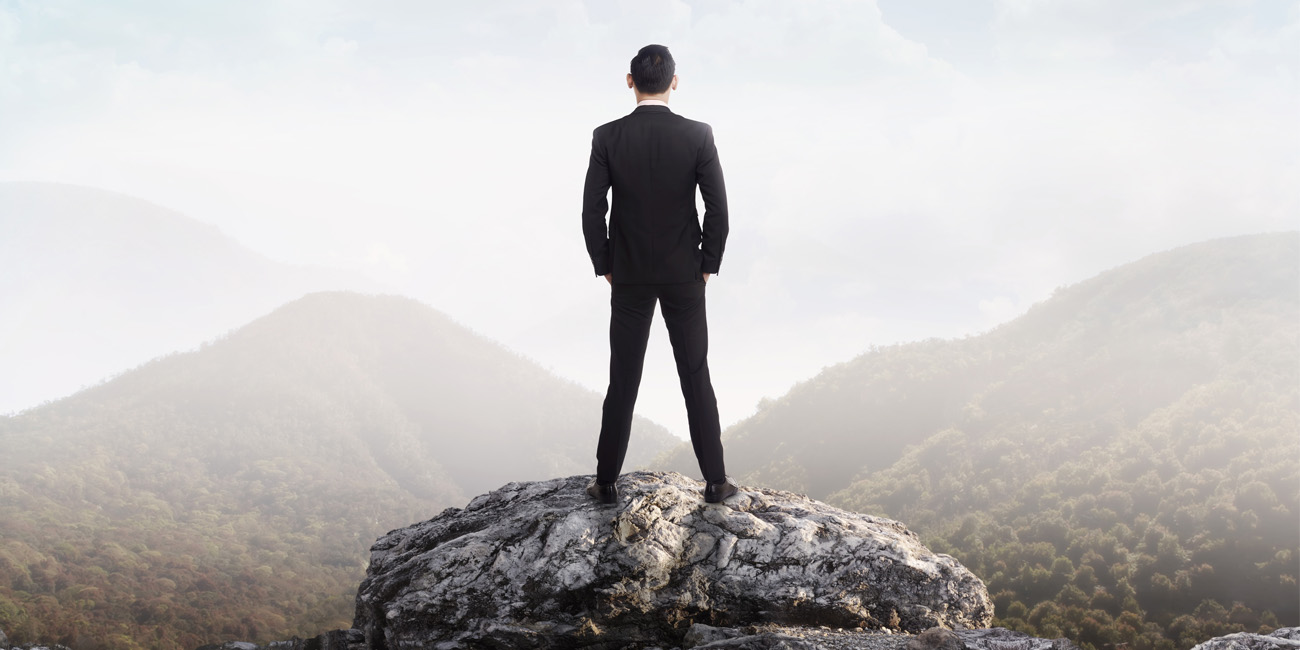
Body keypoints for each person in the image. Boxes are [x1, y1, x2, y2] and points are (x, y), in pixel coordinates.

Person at [581, 44, 737, 505]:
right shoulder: (698, 135)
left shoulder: (606, 136)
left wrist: (605, 263)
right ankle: (716, 482)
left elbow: (592, 211)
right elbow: (719, 210)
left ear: (630, 81)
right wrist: (707, 265)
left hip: (627, 275)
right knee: (695, 375)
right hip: (684, 273)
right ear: (674, 81)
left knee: (622, 378)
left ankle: (606, 482)